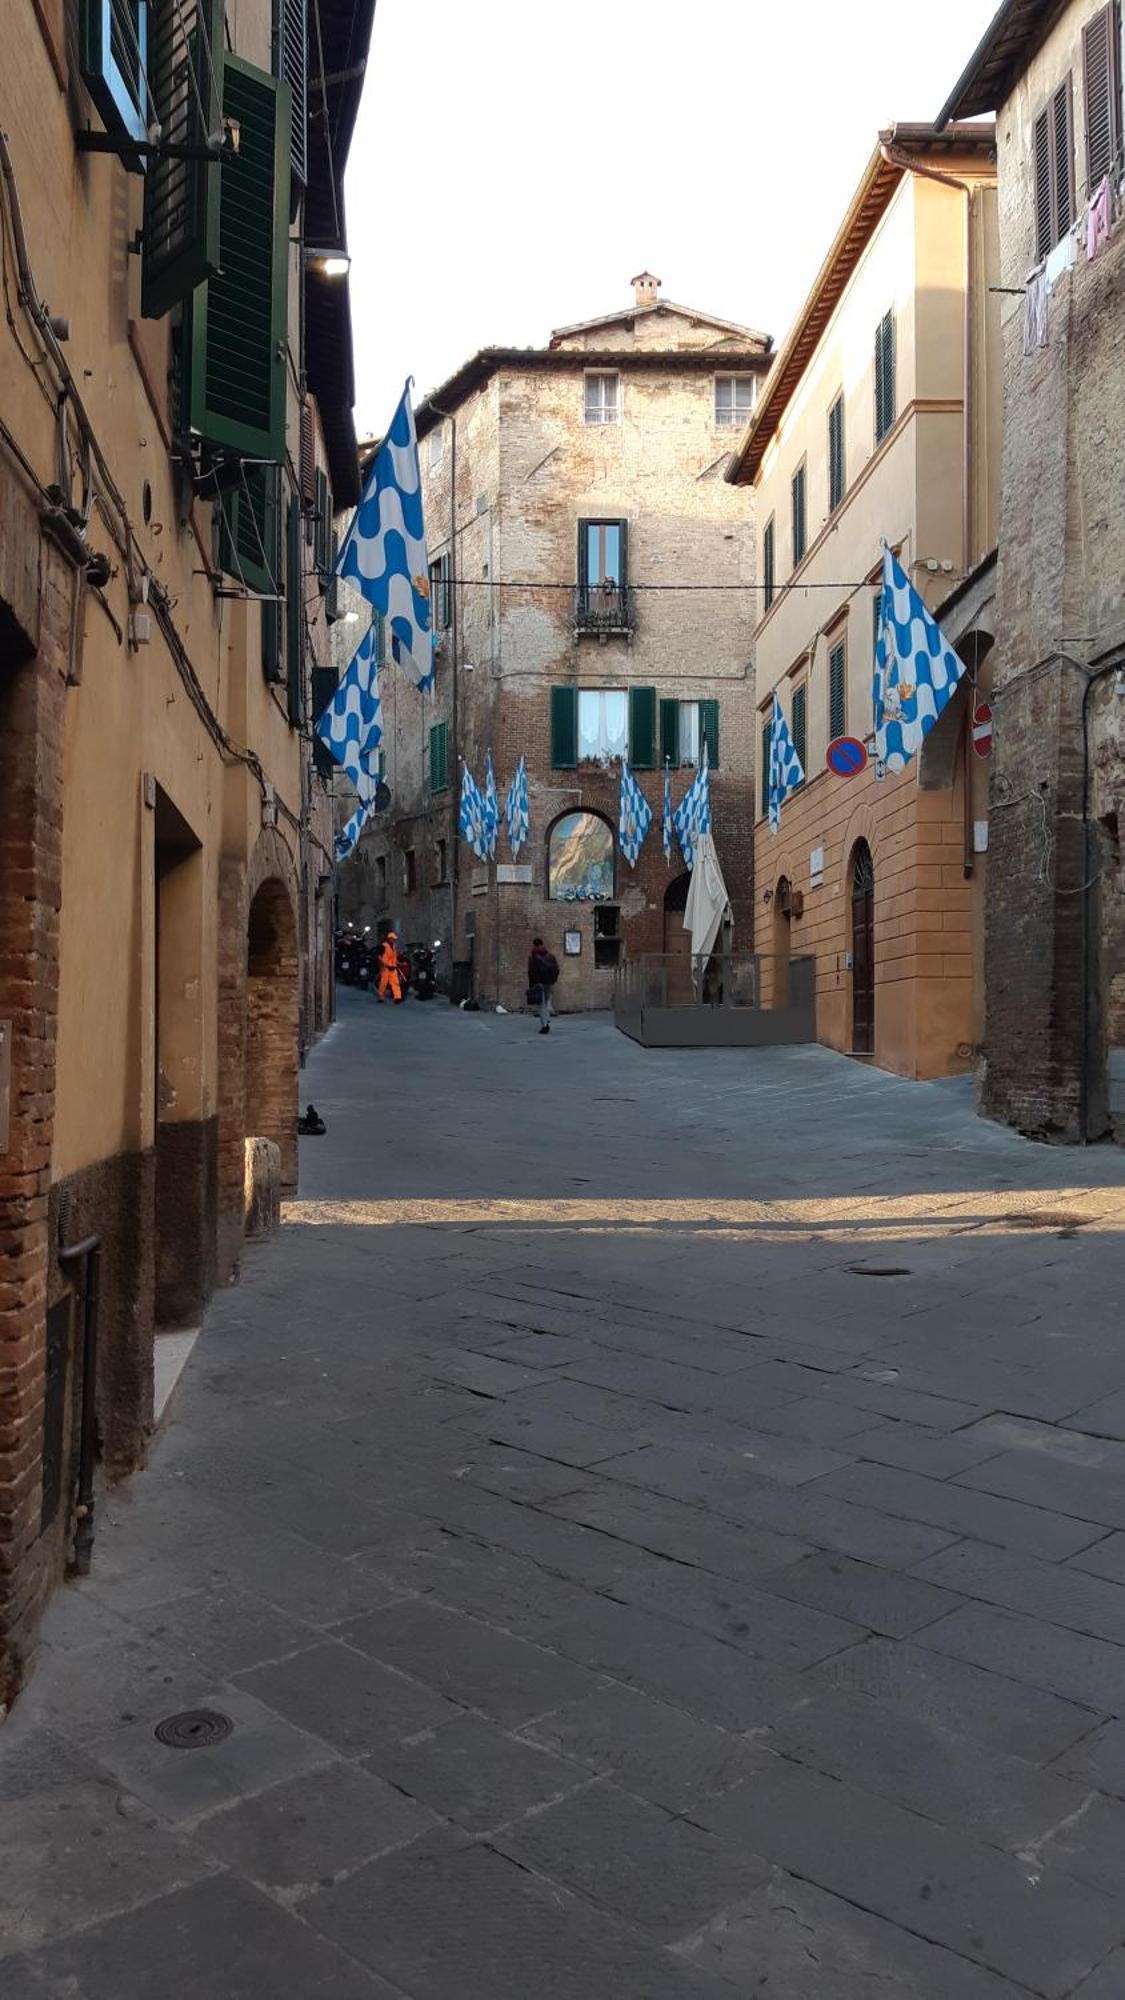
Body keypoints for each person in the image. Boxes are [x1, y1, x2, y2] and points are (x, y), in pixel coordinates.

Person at [527, 936, 559, 1034]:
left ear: (534, 945)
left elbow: (530, 972)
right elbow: (557, 970)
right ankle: (547, 1020)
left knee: (541, 1005)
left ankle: (544, 1025)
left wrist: (531, 985)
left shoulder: (532, 958)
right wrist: (553, 980)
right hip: (548, 983)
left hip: (538, 983)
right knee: (546, 1002)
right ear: (542, 944)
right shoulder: (551, 956)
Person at [377, 929, 404, 1004]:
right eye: (393, 939)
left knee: (395, 983)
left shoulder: (394, 947)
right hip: (385, 968)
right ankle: (381, 997)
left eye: (394, 939)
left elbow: (394, 958)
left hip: (393, 968)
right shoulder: (384, 946)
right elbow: (379, 956)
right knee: (383, 983)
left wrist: (399, 963)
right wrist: (384, 964)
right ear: (389, 939)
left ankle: (397, 998)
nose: (394, 940)